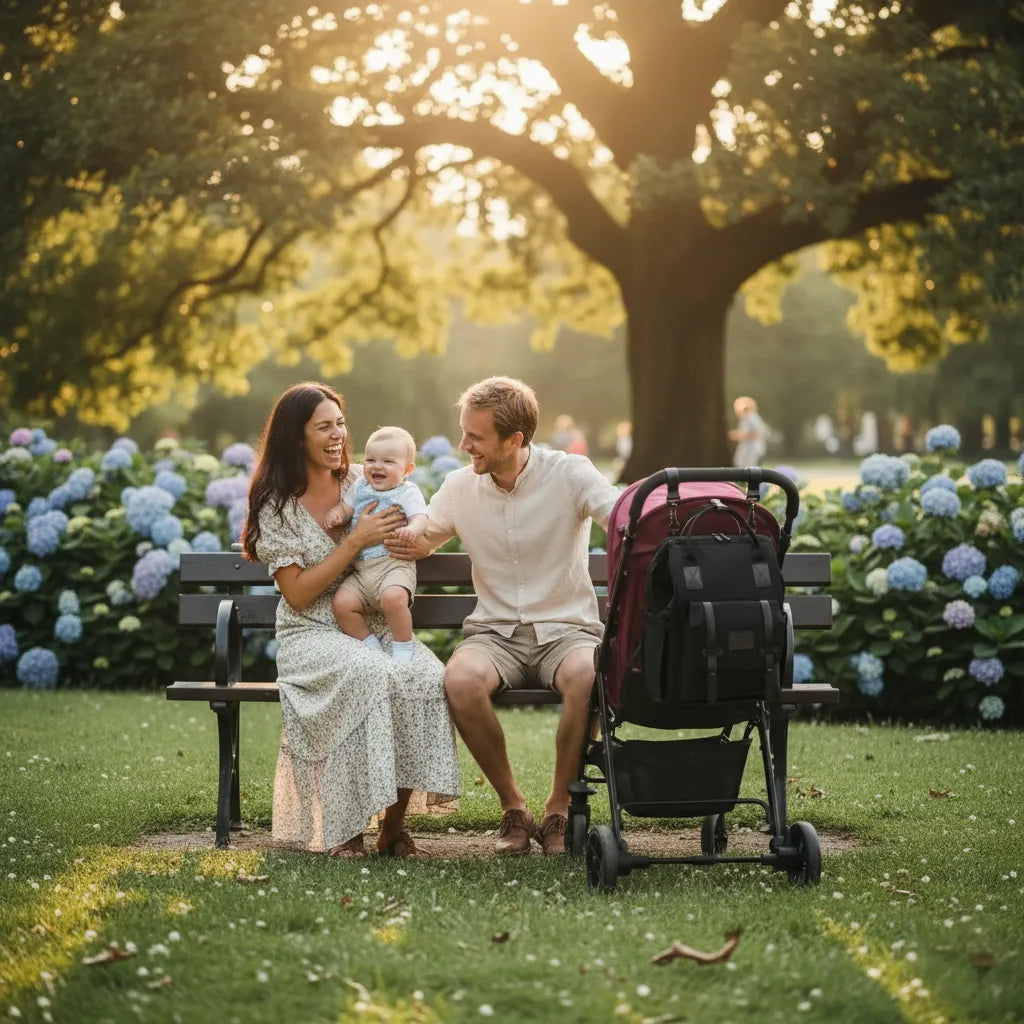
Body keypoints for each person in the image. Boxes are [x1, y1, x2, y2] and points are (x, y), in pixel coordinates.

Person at [387, 376, 619, 856]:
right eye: (463, 432)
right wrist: (392, 534)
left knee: (587, 675)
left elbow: (621, 517)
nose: (462, 445)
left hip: (567, 629)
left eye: (475, 437)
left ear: (515, 440)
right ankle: (514, 808)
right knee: (461, 680)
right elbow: (426, 536)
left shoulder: (570, 473)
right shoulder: (458, 486)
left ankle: (558, 811)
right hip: (495, 633)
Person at [241, 383, 460, 859]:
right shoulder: (275, 504)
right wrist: (355, 541)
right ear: (294, 436)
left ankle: (393, 830)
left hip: (373, 625)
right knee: (368, 673)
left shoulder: (365, 480)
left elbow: (413, 525)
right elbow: (297, 595)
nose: (338, 434)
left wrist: (408, 547)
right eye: (324, 426)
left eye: (340, 423)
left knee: (423, 675)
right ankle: (343, 830)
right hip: (311, 633)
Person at [323, 426, 428, 664]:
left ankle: (403, 646)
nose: (376, 466)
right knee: (342, 604)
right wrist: (338, 513)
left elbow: (421, 517)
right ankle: (369, 644)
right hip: (362, 571)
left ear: (407, 469)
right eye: (370, 459)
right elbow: (347, 507)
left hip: (393, 565)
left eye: (388, 461)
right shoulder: (360, 486)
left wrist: (412, 530)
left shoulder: (407, 492)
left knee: (394, 598)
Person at [728, 395, 768, 467]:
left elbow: (759, 432)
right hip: (746, 449)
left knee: (750, 468)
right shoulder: (745, 419)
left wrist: (738, 435)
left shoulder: (752, 417)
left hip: (752, 450)